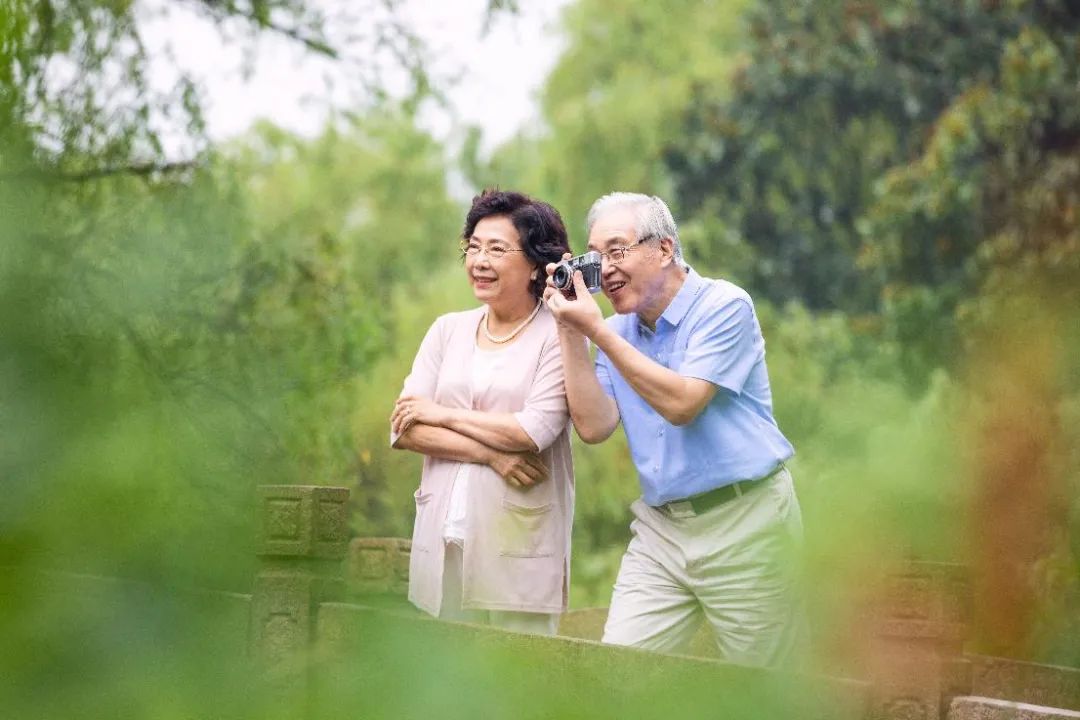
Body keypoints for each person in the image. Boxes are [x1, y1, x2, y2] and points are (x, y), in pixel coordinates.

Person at [542, 192, 805, 665]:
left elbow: (683, 404)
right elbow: (595, 426)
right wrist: (570, 330)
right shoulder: (616, 331)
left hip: (746, 522)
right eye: (595, 257)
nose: (604, 269)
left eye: (616, 251)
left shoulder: (725, 305)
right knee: (617, 673)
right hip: (661, 529)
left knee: (762, 685)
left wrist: (597, 331)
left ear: (664, 248)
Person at [390, 189, 574, 635]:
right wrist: (491, 455)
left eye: (496, 249)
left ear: (536, 264)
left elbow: (531, 432)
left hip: (518, 540)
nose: (480, 261)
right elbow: (405, 429)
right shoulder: (447, 330)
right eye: (473, 248)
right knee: (445, 671)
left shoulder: (559, 334)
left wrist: (441, 414)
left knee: (522, 671)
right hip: (443, 536)